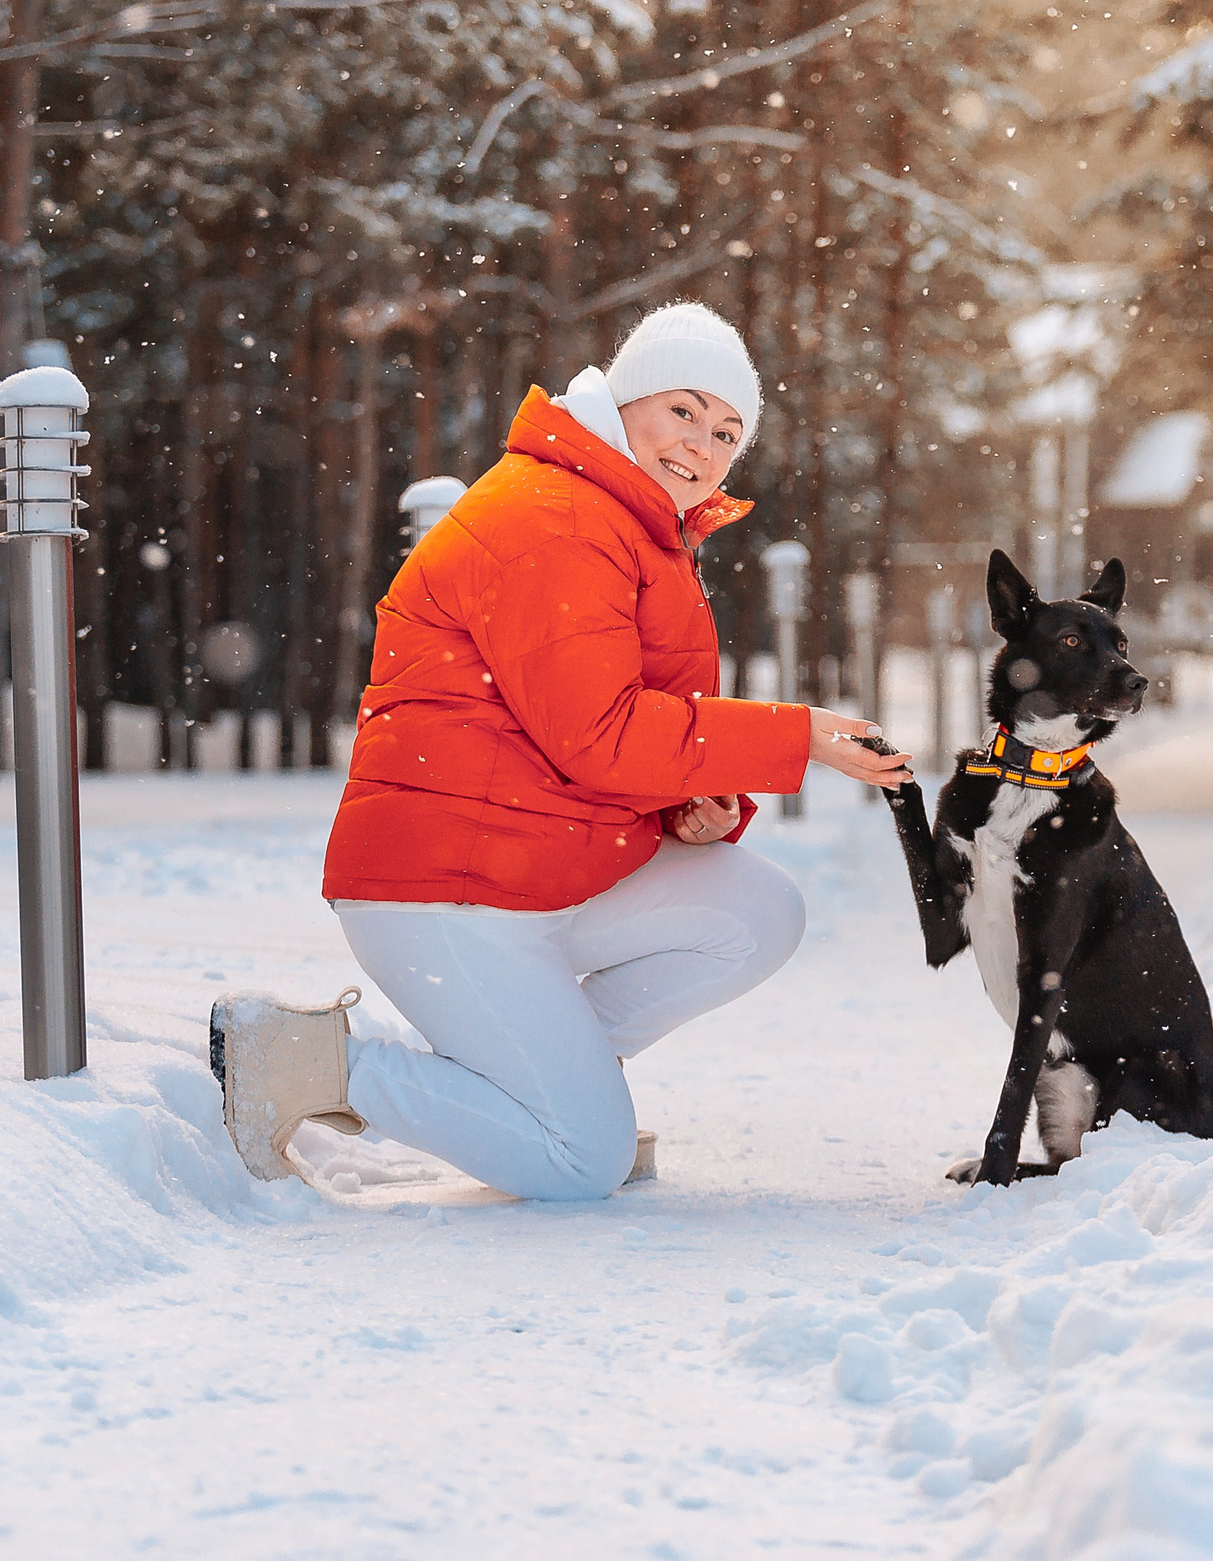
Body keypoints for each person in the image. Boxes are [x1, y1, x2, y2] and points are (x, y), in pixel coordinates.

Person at [210, 302, 910, 1200]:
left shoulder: (632, 523)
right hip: (444, 890)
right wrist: (794, 735)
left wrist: (697, 810)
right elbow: (601, 736)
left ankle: (533, 1087)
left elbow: (619, 726)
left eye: (728, 432)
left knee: (757, 912)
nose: (702, 444)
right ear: (622, 403)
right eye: (684, 410)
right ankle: (309, 1065)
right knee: (581, 1162)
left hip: (533, 867)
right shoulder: (557, 515)